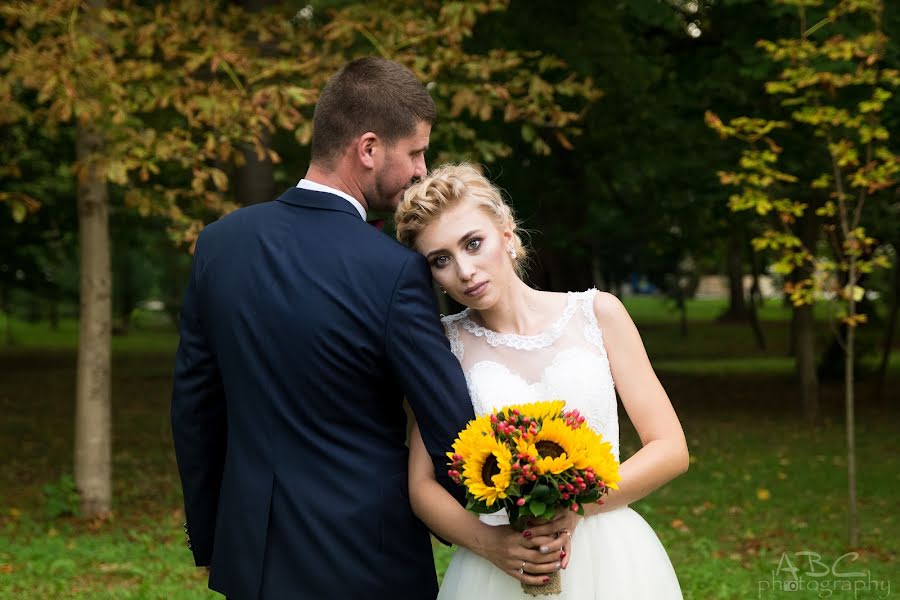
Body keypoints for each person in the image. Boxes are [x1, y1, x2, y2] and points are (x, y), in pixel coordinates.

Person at [171, 58, 491, 599]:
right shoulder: (394, 270)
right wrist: (497, 526)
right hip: (370, 562)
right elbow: (450, 429)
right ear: (368, 149)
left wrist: (213, 538)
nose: (421, 170)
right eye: (414, 152)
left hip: (254, 559)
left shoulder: (221, 244)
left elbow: (195, 410)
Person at [395, 163, 689, 599]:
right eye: (441, 260)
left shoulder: (599, 313)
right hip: (500, 564)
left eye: (473, 243)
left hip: (610, 555)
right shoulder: (443, 345)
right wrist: (493, 546)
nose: (465, 270)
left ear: (507, 232)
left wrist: (578, 506)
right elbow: (421, 485)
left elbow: (670, 448)